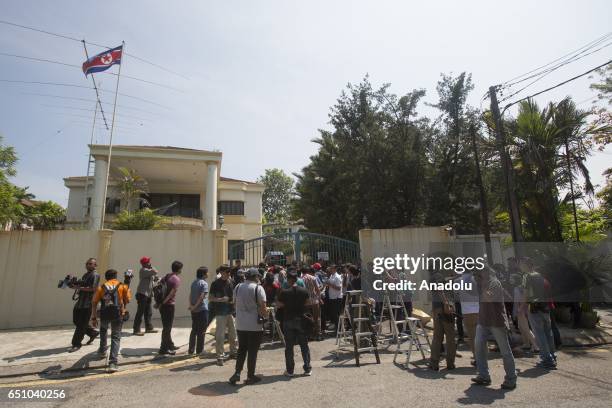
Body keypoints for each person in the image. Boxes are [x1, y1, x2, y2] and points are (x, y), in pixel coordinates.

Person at [472, 267, 517, 390]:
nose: (478, 275)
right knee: (479, 346)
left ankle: (511, 379)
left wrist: (482, 283)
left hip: (496, 321)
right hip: (483, 320)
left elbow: (489, 297)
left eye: (480, 272)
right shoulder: (481, 283)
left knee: (505, 351)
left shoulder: (494, 283)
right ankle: (483, 375)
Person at [229, 268, 267, 385]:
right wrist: (265, 316)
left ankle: (237, 373)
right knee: (252, 351)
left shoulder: (238, 287)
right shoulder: (258, 288)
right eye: (258, 277)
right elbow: (263, 307)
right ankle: (250, 376)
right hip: (254, 325)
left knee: (242, 349)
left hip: (240, 324)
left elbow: (234, 303)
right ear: (255, 277)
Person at [90, 269, 131, 372]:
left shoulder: (101, 287)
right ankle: (113, 363)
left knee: (103, 331)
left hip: (104, 314)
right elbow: (128, 300)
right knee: (115, 337)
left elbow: (94, 302)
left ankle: (102, 350)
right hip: (117, 314)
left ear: (106, 277)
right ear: (115, 276)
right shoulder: (122, 286)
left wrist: (94, 317)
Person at [277, 271, 312, 377]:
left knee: (289, 347)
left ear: (288, 280)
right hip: (301, 320)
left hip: (288, 320)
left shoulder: (284, 292)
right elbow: (308, 303)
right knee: (304, 345)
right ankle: (307, 369)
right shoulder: (304, 291)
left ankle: (290, 370)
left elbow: (279, 305)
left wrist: (287, 305)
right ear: (297, 279)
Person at [523, 263, 557, 369]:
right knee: (548, 333)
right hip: (546, 308)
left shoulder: (528, 277)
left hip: (535, 309)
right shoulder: (544, 280)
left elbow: (526, 293)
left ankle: (547, 359)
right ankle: (552, 356)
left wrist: (523, 307)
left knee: (540, 334)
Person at [69, 257, 100, 351]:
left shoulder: (95, 275)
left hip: (87, 303)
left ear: (95, 265)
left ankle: (76, 344)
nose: (89, 265)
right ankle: (92, 333)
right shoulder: (85, 275)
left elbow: (93, 288)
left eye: (91, 264)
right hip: (80, 303)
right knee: (77, 322)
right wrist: (73, 285)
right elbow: (83, 286)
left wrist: (79, 288)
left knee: (81, 325)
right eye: (88, 263)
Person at [210, 266, 237, 366]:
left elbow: (234, 296)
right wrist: (221, 299)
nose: (229, 273)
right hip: (220, 312)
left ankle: (233, 352)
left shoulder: (231, 282)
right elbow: (211, 298)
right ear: (221, 272)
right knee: (220, 335)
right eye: (227, 271)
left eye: (229, 272)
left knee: (233, 334)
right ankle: (220, 356)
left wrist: (233, 302)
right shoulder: (215, 284)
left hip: (230, 311)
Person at [429, 273, 456, 371]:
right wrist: (446, 304)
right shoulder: (438, 276)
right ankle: (450, 363)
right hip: (445, 309)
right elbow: (440, 290)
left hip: (436, 309)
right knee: (450, 337)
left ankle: (434, 363)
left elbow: (446, 279)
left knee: (437, 337)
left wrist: (454, 277)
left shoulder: (431, 278)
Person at [454, 269, 479, 365]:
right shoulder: (476, 279)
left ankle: (477, 357)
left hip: (467, 311)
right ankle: (483, 358)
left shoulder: (457, 281)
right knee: (481, 335)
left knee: (472, 337)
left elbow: (456, 294)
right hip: (479, 310)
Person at [158, 260, 182, 355]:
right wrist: (164, 302)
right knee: (167, 328)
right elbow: (172, 292)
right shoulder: (176, 279)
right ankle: (163, 349)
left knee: (166, 326)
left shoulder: (166, 276)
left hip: (162, 306)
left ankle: (170, 344)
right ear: (179, 269)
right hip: (168, 305)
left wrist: (160, 303)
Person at [133, 256, 158, 336]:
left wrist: (155, 279)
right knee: (140, 312)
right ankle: (136, 329)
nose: (149, 263)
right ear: (144, 264)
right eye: (148, 262)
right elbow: (155, 271)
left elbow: (154, 277)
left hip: (148, 294)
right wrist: (151, 267)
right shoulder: (143, 270)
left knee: (148, 312)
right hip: (142, 294)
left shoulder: (148, 271)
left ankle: (149, 327)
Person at [188, 266, 209, 355]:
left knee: (194, 330)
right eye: (207, 272)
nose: (208, 274)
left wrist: (191, 306)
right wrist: (195, 306)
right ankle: (200, 350)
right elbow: (202, 297)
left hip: (194, 310)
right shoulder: (204, 284)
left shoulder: (194, 283)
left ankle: (191, 350)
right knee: (202, 330)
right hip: (202, 310)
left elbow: (190, 295)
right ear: (204, 274)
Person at [301, 266, 322, 340]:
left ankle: (309, 334)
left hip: (306, 302)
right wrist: (319, 298)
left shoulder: (301, 279)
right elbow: (317, 289)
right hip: (314, 300)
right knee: (317, 318)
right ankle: (318, 334)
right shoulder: (313, 278)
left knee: (307, 318)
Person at [326, 264, 343, 330]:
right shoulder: (331, 276)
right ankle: (337, 328)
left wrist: (330, 284)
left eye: (332, 268)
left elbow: (338, 288)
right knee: (334, 314)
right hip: (332, 297)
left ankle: (339, 329)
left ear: (335, 269)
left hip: (337, 298)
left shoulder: (337, 277)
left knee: (336, 314)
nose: (330, 269)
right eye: (330, 268)